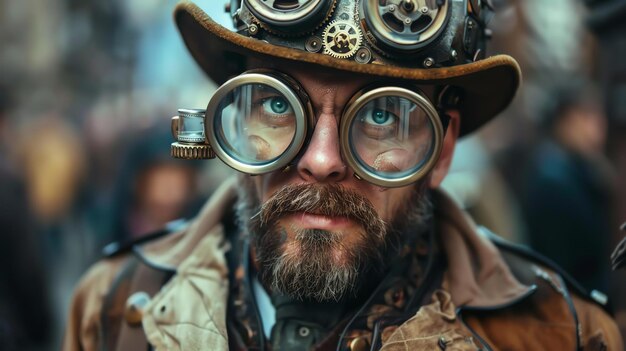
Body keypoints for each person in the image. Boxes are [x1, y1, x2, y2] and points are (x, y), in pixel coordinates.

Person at [63, 1, 623, 350]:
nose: (323, 160)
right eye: (280, 106)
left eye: (381, 114)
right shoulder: (114, 309)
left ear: (442, 148)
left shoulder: (560, 335)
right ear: (230, 120)